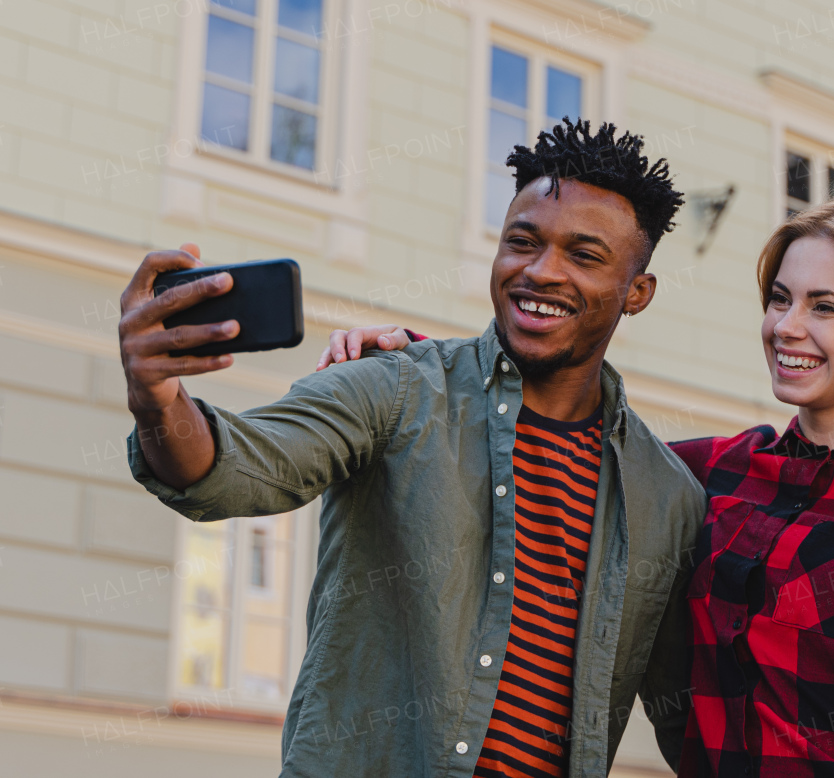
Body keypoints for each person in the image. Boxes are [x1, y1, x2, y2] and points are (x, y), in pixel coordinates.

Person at [315, 197, 834, 777]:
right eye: (780, 298)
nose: (785, 326)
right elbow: (544, 438)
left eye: (825, 307)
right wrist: (418, 366)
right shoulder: (710, 472)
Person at [119, 118, 703, 778]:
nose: (542, 272)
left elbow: (693, 719)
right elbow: (231, 470)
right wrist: (158, 400)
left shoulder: (666, 497)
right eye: (522, 242)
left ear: (637, 293)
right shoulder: (395, 388)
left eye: (585, 256)